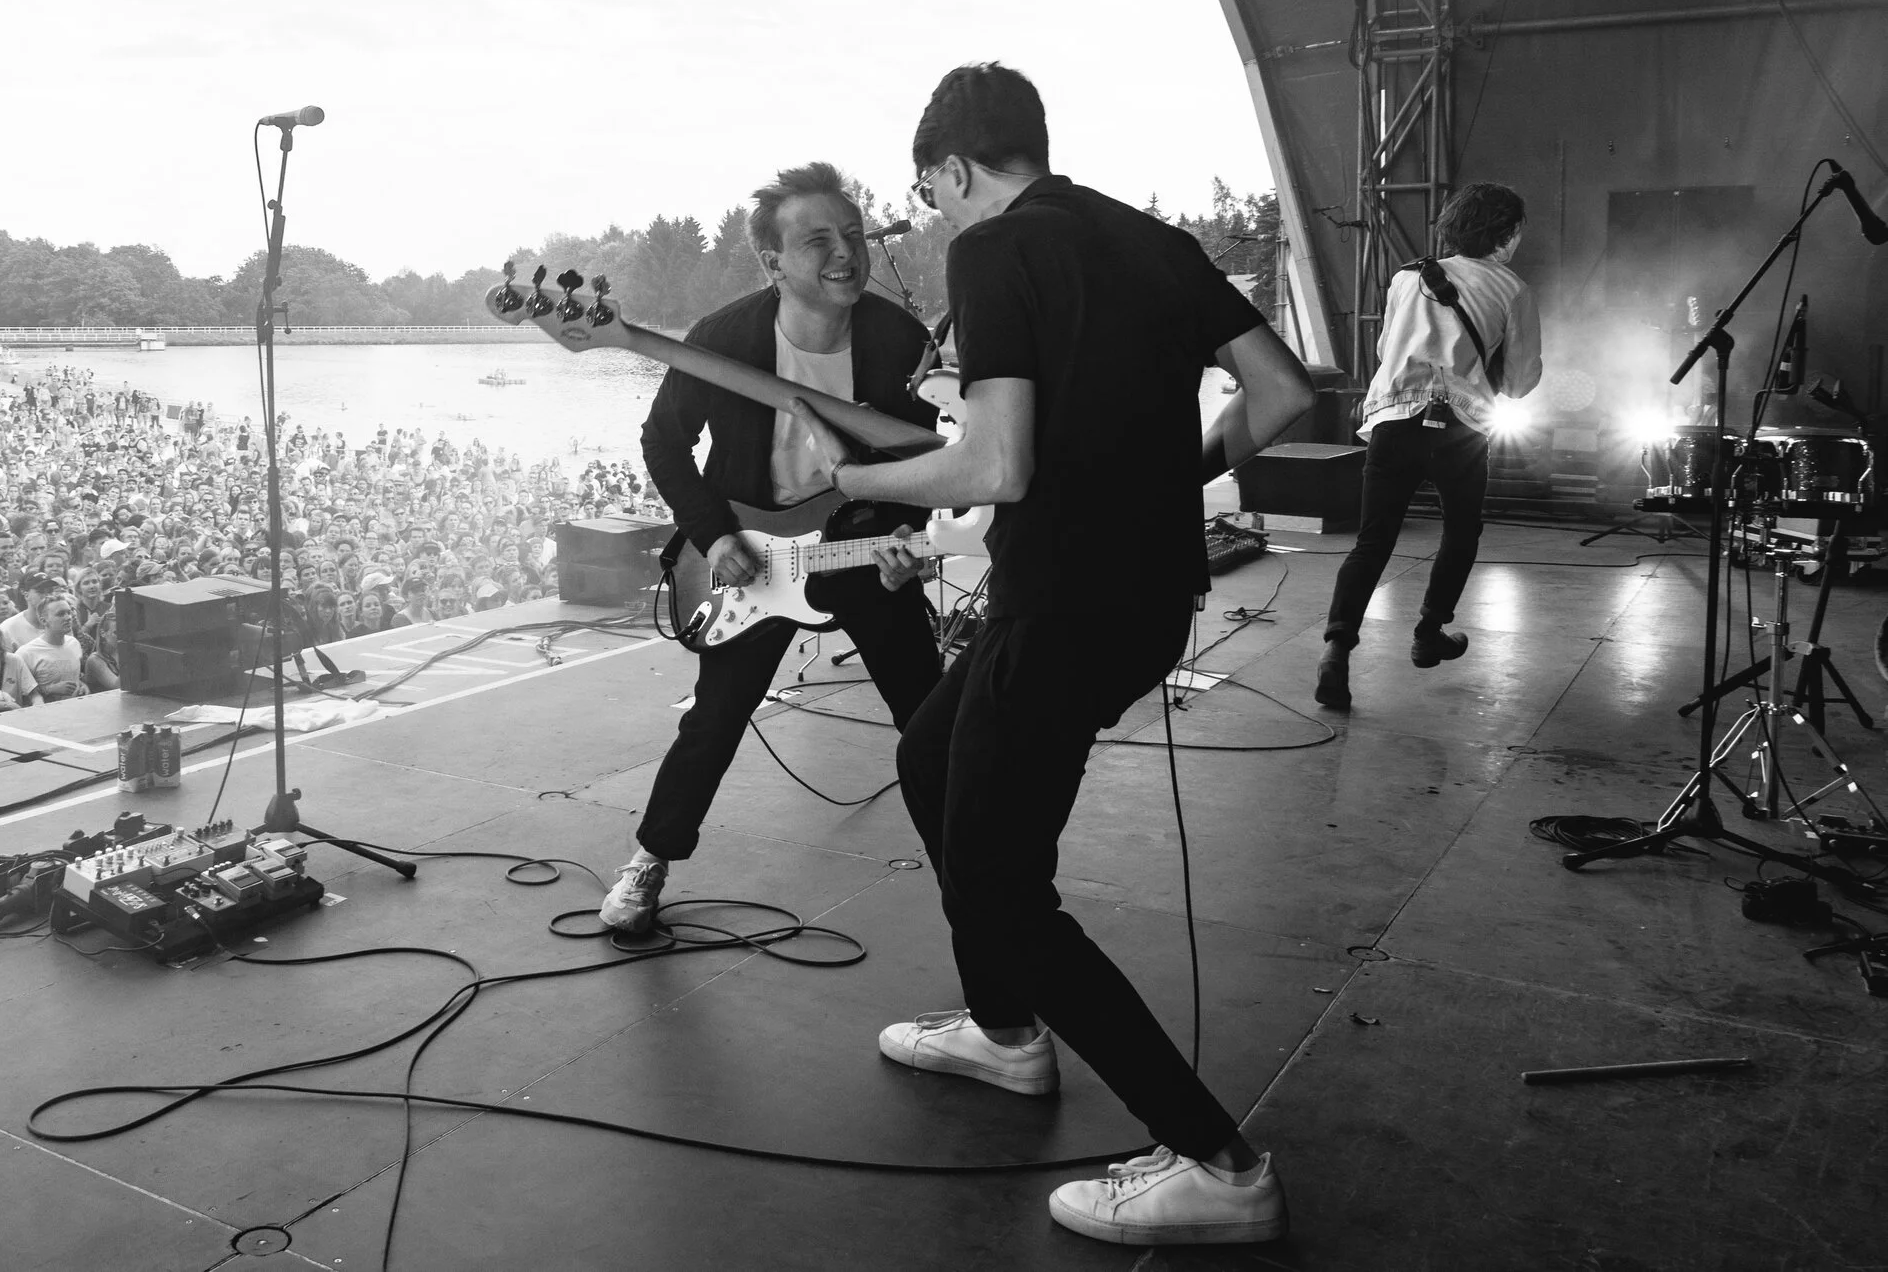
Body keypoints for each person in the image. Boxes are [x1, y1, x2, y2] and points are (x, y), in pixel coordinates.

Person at [800, 63, 1313, 1246]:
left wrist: (853, 476)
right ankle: (1003, 1030)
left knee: (1000, 886)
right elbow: (1283, 392)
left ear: (954, 168)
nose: (936, 218)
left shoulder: (994, 250)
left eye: (931, 195)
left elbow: (994, 465)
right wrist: (1171, 477)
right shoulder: (1153, 240)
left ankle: (1220, 1164)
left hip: (1062, 609)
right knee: (929, 757)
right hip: (1146, 602)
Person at [599, 161, 943, 934]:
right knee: (715, 720)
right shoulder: (725, 339)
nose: (845, 252)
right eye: (818, 240)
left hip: (860, 545)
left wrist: (907, 535)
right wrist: (714, 534)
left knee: (930, 718)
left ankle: (978, 875)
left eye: (852, 234)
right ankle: (650, 859)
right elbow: (663, 442)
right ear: (773, 262)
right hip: (751, 560)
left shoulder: (899, 339)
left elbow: (924, 457)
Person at [1315, 183, 1543, 710]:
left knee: (1373, 541)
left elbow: (1385, 349)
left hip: (1394, 420)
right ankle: (1428, 631)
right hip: (1461, 428)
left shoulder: (1407, 277)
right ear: (1506, 233)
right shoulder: (1512, 289)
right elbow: (1519, 381)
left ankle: (1336, 649)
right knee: (1461, 532)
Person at [15, 593, 89, 701]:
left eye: (69, 612)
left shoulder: (74, 643)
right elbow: (17, 692)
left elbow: (73, 677)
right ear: (44, 621)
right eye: (60, 614)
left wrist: (82, 686)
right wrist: (49, 689)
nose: (68, 617)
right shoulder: (26, 653)